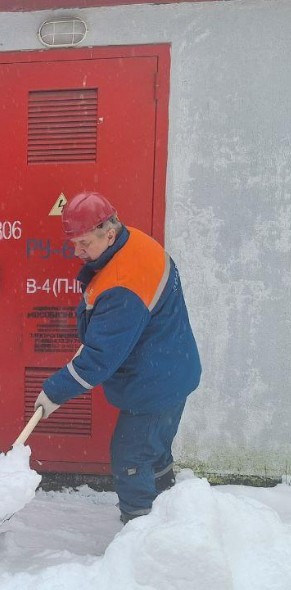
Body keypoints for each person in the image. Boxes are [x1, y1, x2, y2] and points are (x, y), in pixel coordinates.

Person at [34, 192, 201, 524]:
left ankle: (139, 533)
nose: (77, 251)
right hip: (172, 370)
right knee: (154, 450)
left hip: (153, 384)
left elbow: (98, 360)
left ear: (108, 233)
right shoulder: (135, 243)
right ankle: (168, 512)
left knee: (131, 458)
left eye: (83, 242)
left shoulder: (122, 285)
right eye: (73, 242)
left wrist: (54, 392)